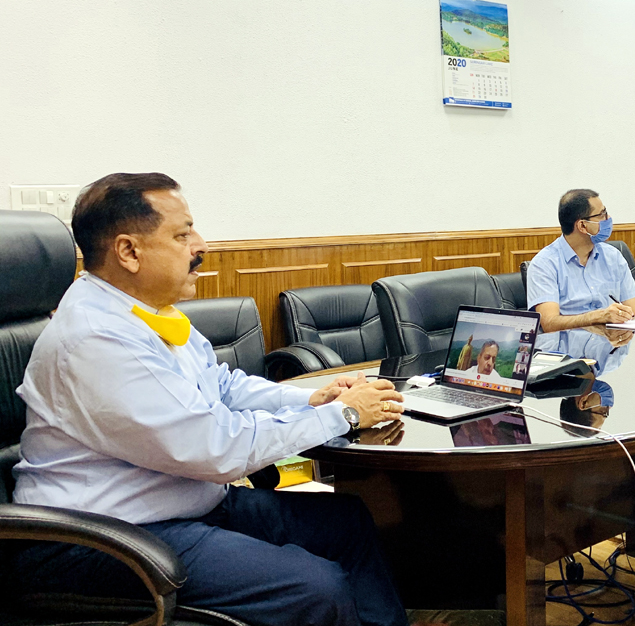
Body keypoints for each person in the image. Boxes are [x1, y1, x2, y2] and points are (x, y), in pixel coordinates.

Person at [10, 173, 409, 626]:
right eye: (182, 234)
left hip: (180, 503)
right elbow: (216, 450)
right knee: (313, 587)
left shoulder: (148, 311)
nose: (200, 245)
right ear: (129, 252)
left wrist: (308, 400)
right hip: (102, 538)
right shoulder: (97, 339)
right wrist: (347, 414)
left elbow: (221, 384)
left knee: (346, 522)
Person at [526, 189, 635, 332]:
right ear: (582, 226)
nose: (608, 218)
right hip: (568, 349)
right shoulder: (544, 264)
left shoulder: (613, 256)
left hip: (612, 347)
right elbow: (549, 323)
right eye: (602, 214)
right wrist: (595, 317)